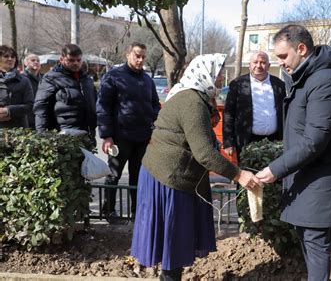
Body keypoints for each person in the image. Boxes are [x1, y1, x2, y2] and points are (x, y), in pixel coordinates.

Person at [130, 53, 259, 281]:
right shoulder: (192, 102)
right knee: (172, 244)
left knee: (173, 244)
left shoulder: (191, 95)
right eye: (219, 73)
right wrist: (238, 174)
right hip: (169, 179)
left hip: (167, 176)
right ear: (206, 74)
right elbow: (205, 154)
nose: (221, 79)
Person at [256, 25, 331, 281]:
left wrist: (274, 169)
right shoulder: (308, 78)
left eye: (283, 56)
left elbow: (315, 140)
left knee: (316, 245)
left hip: (321, 182)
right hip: (307, 179)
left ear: (301, 49)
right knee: (309, 243)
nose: (280, 63)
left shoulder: (325, 81)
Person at [96, 42, 161, 223]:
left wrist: (153, 122)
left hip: (142, 137)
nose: (140, 60)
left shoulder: (147, 80)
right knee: (113, 174)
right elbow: (103, 107)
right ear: (128, 54)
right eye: (137, 55)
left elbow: (154, 104)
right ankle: (108, 211)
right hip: (119, 137)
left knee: (138, 176)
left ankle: (137, 212)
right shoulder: (113, 77)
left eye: (143, 57)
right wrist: (106, 135)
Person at [223, 50, 285, 158]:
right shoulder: (237, 84)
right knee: (248, 174)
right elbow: (228, 114)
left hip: (275, 141)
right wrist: (228, 142)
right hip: (246, 141)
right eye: (255, 62)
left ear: (269, 65)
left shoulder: (279, 85)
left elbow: (286, 112)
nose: (258, 65)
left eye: (263, 62)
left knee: (274, 174)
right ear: (249, 65)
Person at [34, 44, 97, 140]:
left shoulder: (87, 79)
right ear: (61, 59)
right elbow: (41, 108)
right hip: (63, 136)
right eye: (71, 60)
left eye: (78, 60)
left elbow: (96, 104)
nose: (76, 63)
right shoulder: (51, 78)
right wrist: (42, 136)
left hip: (88, 134)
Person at [0, 45, 34, 128]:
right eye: (6, 56)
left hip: (18, 129)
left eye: (13, 56)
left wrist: (9, 110)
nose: (10, 59)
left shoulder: (24, 80)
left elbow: (30, 105)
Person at [23, 53, 42, 129]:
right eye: (33, 60)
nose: (36, 62)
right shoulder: (21, 79)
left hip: (41, 117)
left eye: (38, 61)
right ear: (26, 63)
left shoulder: (45, 78)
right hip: (28, 119)